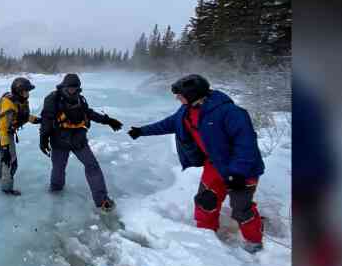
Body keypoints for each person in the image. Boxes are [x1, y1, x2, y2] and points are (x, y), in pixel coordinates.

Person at [127, 74, 265, 253]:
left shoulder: (230, 112)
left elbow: (246, 143)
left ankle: (254, 242)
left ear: (193, 94)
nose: (177, 98)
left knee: (241, 209)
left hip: (242, 169)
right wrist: (141, 131)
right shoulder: (185, 111)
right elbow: (167, 124)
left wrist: (238, 172)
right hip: (214, 165)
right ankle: (206, 238)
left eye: (180, 94)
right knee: (205, 201)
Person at [39, 73, 123, 213]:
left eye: (75, 88)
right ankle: (56, 192)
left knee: (92, 166)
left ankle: (102, 201)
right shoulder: (53, 99)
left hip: (78, 140)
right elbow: (46, 120)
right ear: (64, 86)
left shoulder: (80, 99)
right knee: (58, 168)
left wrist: (107, 120)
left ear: (78, 88)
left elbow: (88, 113)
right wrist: (43, 139)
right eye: (69, 88)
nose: (72, 90)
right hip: (59, 141)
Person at [0, 77, 40, 195]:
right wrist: (5, 148)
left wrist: (35, 120)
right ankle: (7, 188)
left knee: (4, 158)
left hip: (2, 129)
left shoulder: (20, 100)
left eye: (28, 91)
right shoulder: (9, 106)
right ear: (18, 91)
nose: (27, 93)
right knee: (10, 160)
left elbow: (22, 115)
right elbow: (3, 128)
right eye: (25, 91)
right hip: (2, 132)